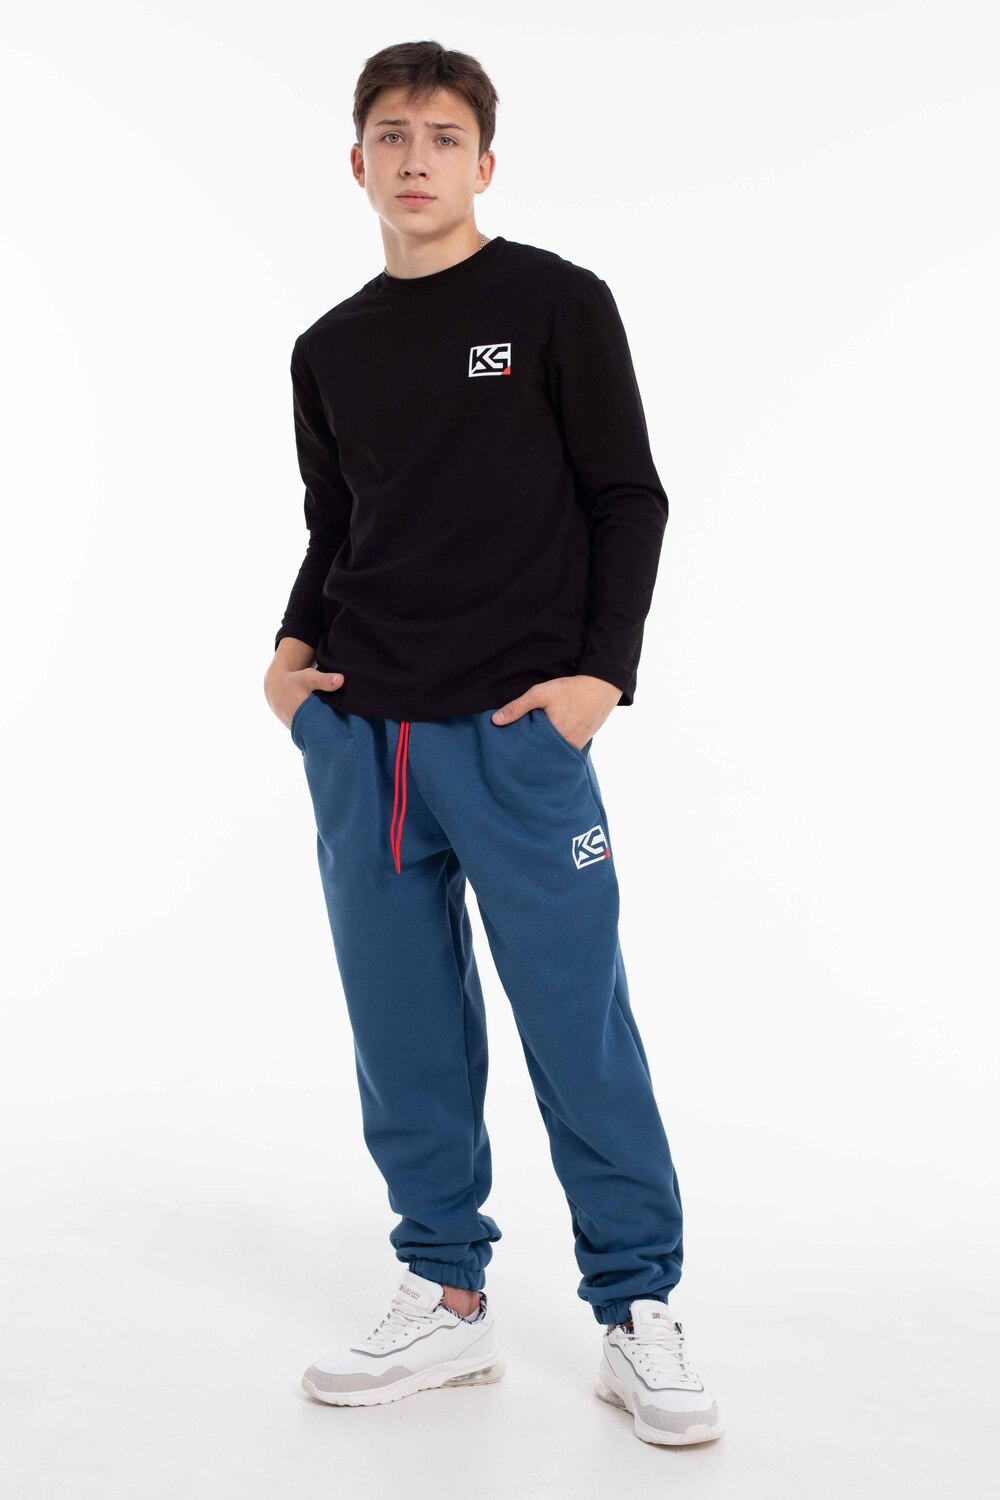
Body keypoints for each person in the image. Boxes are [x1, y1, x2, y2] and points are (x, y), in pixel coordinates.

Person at [264, 39, 724, 1447]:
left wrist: (600, 681)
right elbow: (338, 524)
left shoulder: (553, 304)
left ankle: (637, 1307)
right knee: (401, 1032)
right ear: (356, 161)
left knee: (579, 1029)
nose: (417, 160)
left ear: (485, 161)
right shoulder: (330, 347)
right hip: (364, 740)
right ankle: (444, 1294)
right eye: (393, 136)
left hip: (520, 739)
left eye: (445, 137)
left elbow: (627, 497)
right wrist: (290, 661)